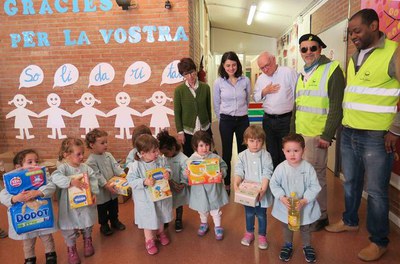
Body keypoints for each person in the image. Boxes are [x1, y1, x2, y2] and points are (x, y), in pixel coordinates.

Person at [325, 9, 400, 262]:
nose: (353, 36)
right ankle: (350, 220)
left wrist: (394, 130)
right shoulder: (355, 55)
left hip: (377, 136)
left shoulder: (393, 51)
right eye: (350, 33)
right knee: (351, 181)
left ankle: (379, 241)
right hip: (349, 131)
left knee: (377, 191)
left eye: (357, 31)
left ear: (374, 25)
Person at [291, 33, 345, 231]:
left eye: (313, 48)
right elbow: (296, 107)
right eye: (304, 49)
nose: (308, 52)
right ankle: (309, 211)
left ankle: (321, 216)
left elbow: (337, 107)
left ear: (320, 49)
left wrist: (327, 135)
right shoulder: (302, 74)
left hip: (316, 136)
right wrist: (291, 136)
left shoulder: (332, 70)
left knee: (317, 178)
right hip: (300, 135)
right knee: (304, 177)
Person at [270, 134, 321, 263]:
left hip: (304, 205)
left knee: (305, 226)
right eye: (288, 151)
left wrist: (304, 200)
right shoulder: (281, 168)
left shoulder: (308, 168)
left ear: (303, 150)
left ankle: (307, 246)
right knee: (287, 226)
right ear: (283, 152)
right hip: (286, 206)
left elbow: (314, 186)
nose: (292, 154)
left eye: (296, 151)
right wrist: (281, 197)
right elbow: (274, 183)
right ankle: (288, 245)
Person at [0, 149, 57, 264]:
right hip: (26, 219)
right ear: (18, 166)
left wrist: (39, 192)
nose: (35, 164)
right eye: (29, 162)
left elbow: (51, 186)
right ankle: (29, 258)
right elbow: (3, 195)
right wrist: (15, 198)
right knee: (27, 241)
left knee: (47, 237)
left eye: (36, 161)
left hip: (42, 215)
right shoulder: (12, 180)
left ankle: (50, 254)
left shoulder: (43, 175)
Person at [51, 138, 99, 264]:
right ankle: (71, 249)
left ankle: (87, 240)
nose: (82, 156)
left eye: (83, 153)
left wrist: (94, 193)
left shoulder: (86, 168)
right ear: (66, 155)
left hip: (85, 203)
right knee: (69, 228)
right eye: (78, 154)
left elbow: (93, 179)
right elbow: (55, 177)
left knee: (87, 223)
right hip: (69, 207)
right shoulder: (63, 169)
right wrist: (70, 182)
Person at [126, 134, 173, 255]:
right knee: (148, 219)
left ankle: (160, 232)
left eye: (157, 149)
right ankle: (149, 240)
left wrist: (168, 173)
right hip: (146, 200)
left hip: (161, 196)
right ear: (142, 153)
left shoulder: (161, 160)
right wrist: (144, 181)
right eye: (153, 151)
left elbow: (168, 168)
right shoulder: (135, 166)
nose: (157, 153)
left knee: (161, 215)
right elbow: (130, 181)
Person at [214, 51, 251, 195]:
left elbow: (247, 99)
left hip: (242, 120)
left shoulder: (245, 80)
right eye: (228, 65)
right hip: (226, 120)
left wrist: (241, 112)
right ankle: (228, 183)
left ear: (238, 65)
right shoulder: (218, 82)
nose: (231, 68)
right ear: (223, 66)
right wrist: (222, 118)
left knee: (244, 153)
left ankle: (244, 182)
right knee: (227, 153)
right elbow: (216, 104)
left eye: (233, 65)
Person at [253, 51, 298, 169]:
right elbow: (256, 97)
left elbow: (298, 94)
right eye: (262, 68)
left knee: (286, 151)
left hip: (286, 119)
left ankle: (286, 181)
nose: (265, 70)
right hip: (268, 120)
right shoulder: (261, 78)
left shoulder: (288, 72)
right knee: (271, 152)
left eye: (267, 65)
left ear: (273, 59)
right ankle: (274, 181)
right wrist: (264, 91)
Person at [233, 125, 273, 250]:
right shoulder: (242, 155)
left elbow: (268, 172)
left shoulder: (266, 155)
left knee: (261, 215)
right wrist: (236, 182)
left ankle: (262, 235)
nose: (255, 144)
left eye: (259, 141)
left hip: (261, 192)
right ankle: (249, 233)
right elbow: (239, 171)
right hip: (247, 193)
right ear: (245, 141)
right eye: (251, 141)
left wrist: (264, 188)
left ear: (263, 141)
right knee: (249, 213)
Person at [184, 130, 229, 240]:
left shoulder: (215, 157)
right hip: (199, 191)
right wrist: (187, 174)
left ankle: (218, 226)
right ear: (195, 146)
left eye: (207, 145)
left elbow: (224, 166)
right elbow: (186, 174)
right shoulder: (191, 160)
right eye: (201, 145)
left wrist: (222, 173)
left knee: (215, 209)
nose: (204, 148)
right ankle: (204, 223)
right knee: (202, 209)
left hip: (213, 189)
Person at [85, 129, 126, 236]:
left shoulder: (108, 155)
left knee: (114, 206)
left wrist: (122, 174)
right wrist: (105, 185)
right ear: (92, 144)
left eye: (106, 142)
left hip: (113, 188)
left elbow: (115, 166)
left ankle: (114, 221)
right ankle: (104, 225)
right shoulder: (91, 161)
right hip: (101, 191)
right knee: (102, 209)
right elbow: (97, 175)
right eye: (102, 143)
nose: (105, 145)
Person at [174, 57, 212, 157]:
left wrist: (209, 126)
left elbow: (208, 108)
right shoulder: (179, 90)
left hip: (204, 128)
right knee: (189, 157)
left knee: (206, 156)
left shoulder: (205, 88)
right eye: (186, 74)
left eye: (191, 72)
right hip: (188, 131)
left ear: (195, 71)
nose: (190, 76)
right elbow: (177, 112)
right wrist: (180, 131)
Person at [157, 130, 189, 232]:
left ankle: (178, 219)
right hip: (167, 186)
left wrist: (183, 183)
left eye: (166, 153)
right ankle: (166, 219)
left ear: (173, 148)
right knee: (166, 203)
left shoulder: (183, 158)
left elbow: (186, 172)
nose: (165, 155)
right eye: (163, 153)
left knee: (179, 203)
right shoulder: (163, 158)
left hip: (178, 186)